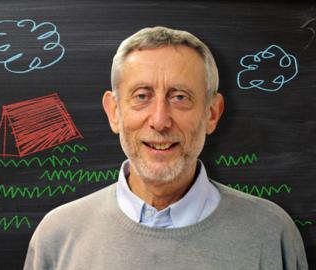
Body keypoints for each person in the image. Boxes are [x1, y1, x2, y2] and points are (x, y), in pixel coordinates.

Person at [23, 26, 308, 270]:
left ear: (211, 113)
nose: (160, 120)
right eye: (142, 96)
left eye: (180, 97)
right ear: (114, 113)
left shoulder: (272, 234)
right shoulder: (57, 237)